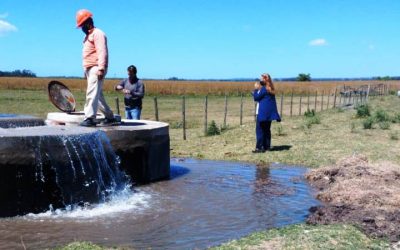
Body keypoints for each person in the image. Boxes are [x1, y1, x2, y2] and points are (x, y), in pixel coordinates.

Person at [76, 9, 116, 127]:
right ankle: (110, 117)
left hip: (96, 67)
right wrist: (85, 71)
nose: (82, 28)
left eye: (82, 25)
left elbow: (102, 51)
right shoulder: (88, 36)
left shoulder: (98, 33)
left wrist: (101, 68)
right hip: (90, 68)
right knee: (97, 96)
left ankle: (89, 118)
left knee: (91, 93)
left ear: (88, 23)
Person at [252, 73, 281, 153]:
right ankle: (267, 146)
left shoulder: (264, 89)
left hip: (262, 113)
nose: (259, 80)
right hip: (269, 114)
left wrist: (255, 89)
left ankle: (259, 148)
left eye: (261, 79)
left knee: (259, 130)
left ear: (264, 80)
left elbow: (256, 98)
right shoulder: (270, 88)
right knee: (267, 130)